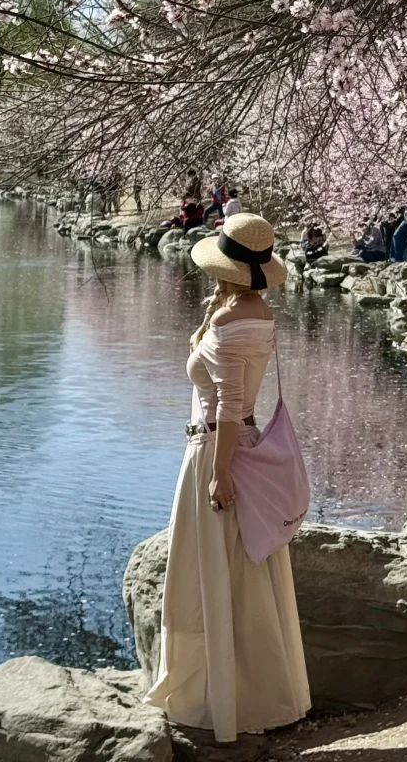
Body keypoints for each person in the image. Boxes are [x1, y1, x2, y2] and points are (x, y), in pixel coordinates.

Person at [145, 212, 310, 740]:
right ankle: (250, 692)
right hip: (235, 445)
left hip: (219, 453)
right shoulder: (258, 312)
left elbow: (230, 408)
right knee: (243, 581)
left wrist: (218, 477)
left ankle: (218, 700)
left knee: (209, 579)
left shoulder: (229, 321)